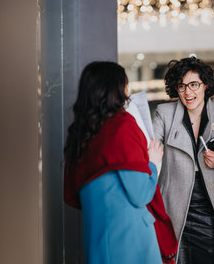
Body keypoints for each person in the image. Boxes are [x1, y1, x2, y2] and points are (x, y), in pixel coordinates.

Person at [63, 61, 177, 264]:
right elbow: (140, 194)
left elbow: (73, 196)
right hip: (130, 239)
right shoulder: (122, 125)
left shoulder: (81, 134)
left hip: (97, 237)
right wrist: (152, 162)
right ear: (117, 88)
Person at [153, 57, 214, 264]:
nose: (188, 93)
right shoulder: (165, 113)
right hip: (173, 206)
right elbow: (150, 144)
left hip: (209, 209)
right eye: (182, 86)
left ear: (206, 85)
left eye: (194, 85)